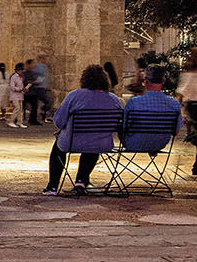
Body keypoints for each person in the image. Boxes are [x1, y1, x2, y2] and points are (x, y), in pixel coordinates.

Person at [44, 63, 123, 194]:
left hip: (73, 142)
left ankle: (52, 186)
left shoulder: (74, 96)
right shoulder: (114, 99)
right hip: (102, 143)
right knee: (93, 142)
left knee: (57, 149)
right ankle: (81, 181)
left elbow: (58, 121)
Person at [121, 63, 186, 149]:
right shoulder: (174, 103)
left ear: (145, 81)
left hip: (134, 143)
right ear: (163, 81)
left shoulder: (134, 102)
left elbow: (125, 127)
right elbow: (175, 132)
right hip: (160, 144)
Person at [28, 54, 52, 126]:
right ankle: (42, 114)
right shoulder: (39, 67)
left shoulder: (43, 67)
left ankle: (42, 115)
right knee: (46, 102)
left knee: (43, 102)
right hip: (39, 87)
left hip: (42, 87)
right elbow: (37, 76)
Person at [8, 62, 28, 129]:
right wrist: (20, 89)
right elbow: (12, 87)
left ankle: (19, 122)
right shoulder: (13, 77)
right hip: (14, 96)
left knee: (20, 110)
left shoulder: (20, 77)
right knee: (17, 108)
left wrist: (24, 89)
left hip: (20, 95)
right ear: (17, 70)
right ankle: (11, 121)